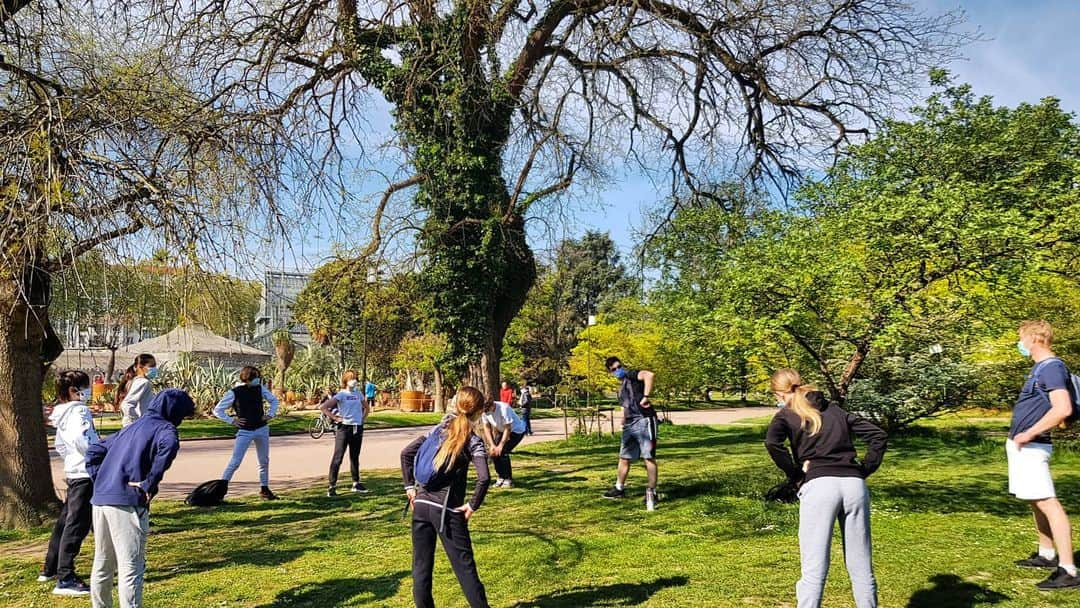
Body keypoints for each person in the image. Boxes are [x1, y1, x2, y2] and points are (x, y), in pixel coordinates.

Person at [765, 368, 887, 608]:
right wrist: (863, 470)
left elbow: (772, 443)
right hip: (854, 487)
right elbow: (878, 435)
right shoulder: (834, 410)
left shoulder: (786, 415)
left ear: (779, 393)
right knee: (861, 565)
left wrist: (796, 475)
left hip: (819, 487)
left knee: (814, 567)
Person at [86, 388, 194, 608]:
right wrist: (149, 482)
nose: (181, 421)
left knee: (103, 563)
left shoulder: (131, 427)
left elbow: (94, 451)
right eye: (182, 415)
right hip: (127, 502)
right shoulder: (166, 429)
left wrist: (101, 479)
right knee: (130, 567)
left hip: (101, 499)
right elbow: (169, 446)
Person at [401, 386, 492, 608]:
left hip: (421, 504)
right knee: (465, 569)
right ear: (479, 411)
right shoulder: (473, 440)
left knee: (421, 567)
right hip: (448, 511)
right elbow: (484, 477)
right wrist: (472, 505)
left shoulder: (437, 430)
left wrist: (410, 488)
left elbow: (406, 453)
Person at [1008, 320, 1080, 590]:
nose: (1020, 344)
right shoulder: (1041, 368)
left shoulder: (1052, 368)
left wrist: (1029, 433)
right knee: (1034, 500)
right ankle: (1047, 554)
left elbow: (1062, 409)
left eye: (1021, 338)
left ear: (1034, 339)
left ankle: (1069, 570)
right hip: (1025, 446)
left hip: (1033, 445)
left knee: (1048, 502)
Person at [39, 370, 99, 596]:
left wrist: (72, 460)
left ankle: (50, 567)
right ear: (74, 390)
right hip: (85, 472)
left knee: (65, 520)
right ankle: (66, 576)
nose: (89, 391)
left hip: (74, 469)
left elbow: (62, 445)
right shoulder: (79, 411)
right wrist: (95, 456)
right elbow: (81, 439)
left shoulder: (61, 413)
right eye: (86, 387)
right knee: (77, 524)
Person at [213, 366, 280, 500]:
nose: (257, 379)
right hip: (245, 431)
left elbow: (274, 400)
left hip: (261, 428)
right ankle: (220, 490)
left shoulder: (260, 389)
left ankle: (264, 489)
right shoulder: (234, 392)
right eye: (255, 377)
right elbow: (218, 410)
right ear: (247, 378)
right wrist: (232, 421)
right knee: (235, 461)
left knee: (264, 460)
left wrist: (270, 415)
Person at [601, 356, 659, 510]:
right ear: (610, 372)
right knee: (624, 457)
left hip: (644, 420)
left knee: (648, 457)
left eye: (619, 367)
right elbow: (624, 407)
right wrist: (622, 423)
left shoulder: (632, 375)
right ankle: (619, 488)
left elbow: (649, 375)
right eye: (614, 369)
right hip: (630, 424)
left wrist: (646, 397)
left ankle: (652, 492)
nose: (618, 370)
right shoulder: (621, 388)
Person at [321, 369, 371, 497]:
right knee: (338, 457)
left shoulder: (358, 394)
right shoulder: (341, 395)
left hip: (357, 428)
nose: (354, 381)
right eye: (351, 378)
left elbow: (366, 407)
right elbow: (324, 407)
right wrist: (336, 418)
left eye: (355, 378)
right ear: (346, 381)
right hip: (344, 428)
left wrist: (362, 419)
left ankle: (356, 483)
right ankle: (332, 486)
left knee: (355, 457)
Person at [482, 398, 527, 488]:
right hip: (502, 431)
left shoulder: (503, 408)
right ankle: (501, 477)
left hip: (516, 431)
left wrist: (501, 445)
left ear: (492, 405)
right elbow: (487, 428)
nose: (486, 413)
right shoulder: (483, 411)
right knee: (494, 452)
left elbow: (508, 428)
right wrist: (492, 445)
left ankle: (508, 479)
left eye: (487, 410)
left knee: (503, 452)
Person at [116, 354, 157, 427]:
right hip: (137, 427)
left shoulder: (134, 380)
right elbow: (127, 404)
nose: (154, 369)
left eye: (155, 366)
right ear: (141, 367)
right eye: (151, 366)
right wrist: (137, 422)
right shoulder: (143, 382)